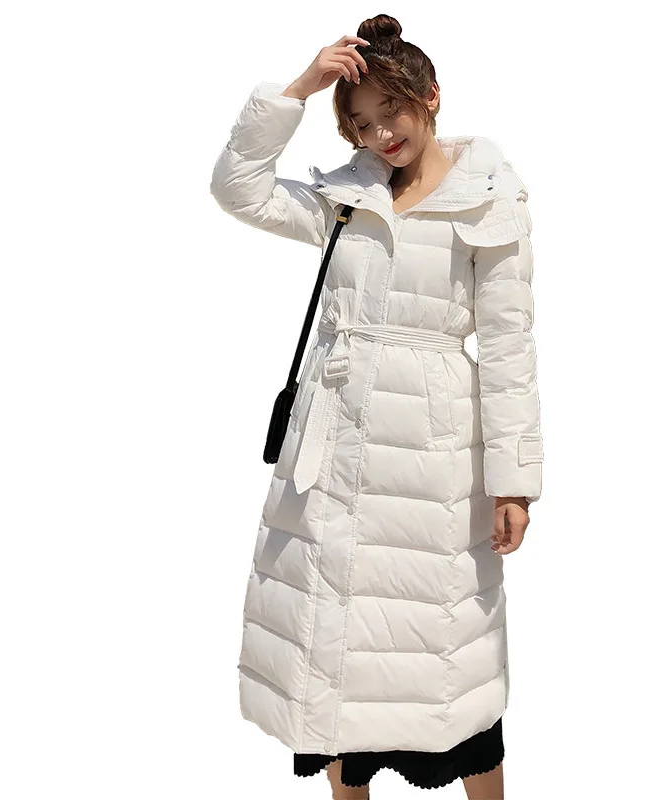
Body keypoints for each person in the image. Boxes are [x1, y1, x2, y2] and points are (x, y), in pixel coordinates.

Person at [210, 14, 544, 799]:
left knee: (446, 663)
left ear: (431, 97)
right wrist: (300, 89)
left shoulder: (487, 203)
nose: (380, 133)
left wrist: (513, 482)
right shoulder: (346, 200)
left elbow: (508, 347)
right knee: (335, 653)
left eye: (390, 110)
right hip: (334, 447)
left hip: (432, 461)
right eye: (360, 122)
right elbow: (237, 188)